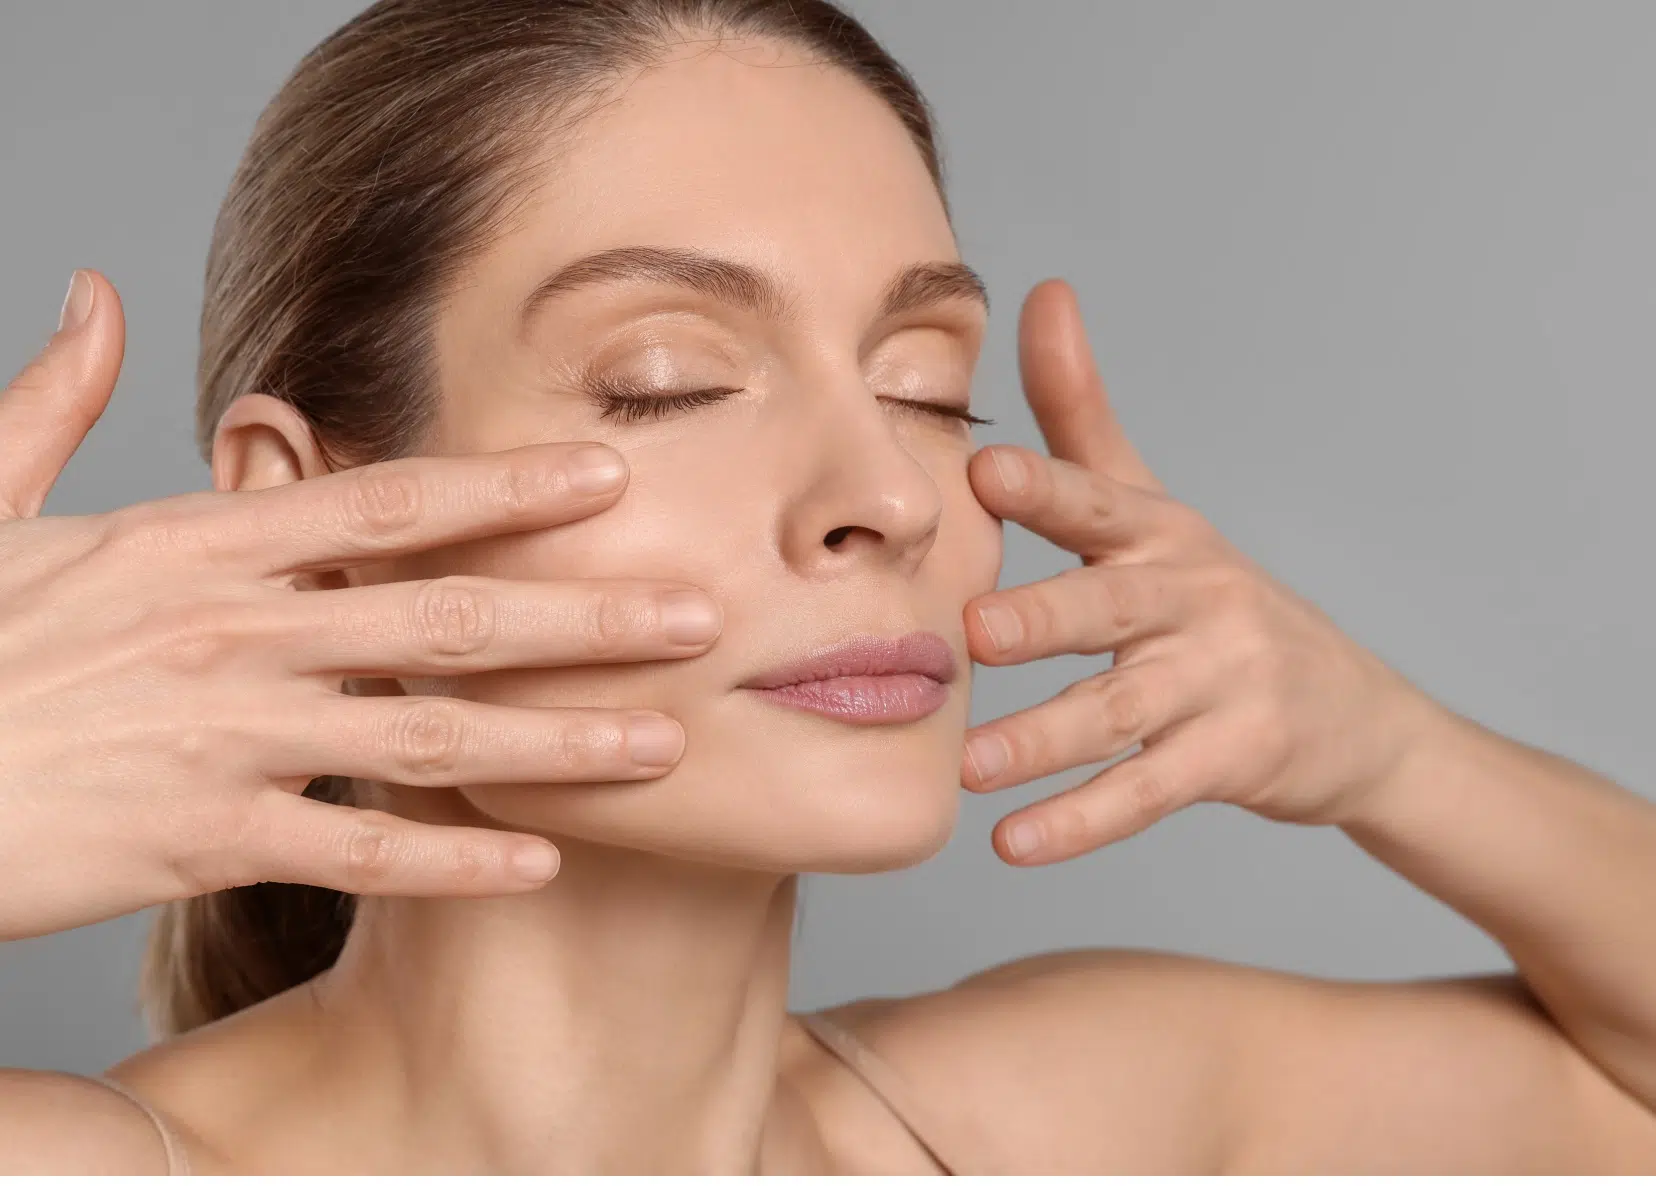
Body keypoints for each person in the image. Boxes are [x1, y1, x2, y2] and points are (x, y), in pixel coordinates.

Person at [1, 0, 1653, 1173]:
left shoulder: (1043, 1128)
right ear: (319, 531)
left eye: (928, 387)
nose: (890, 495)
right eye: (668, 380)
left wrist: (1390, 750)